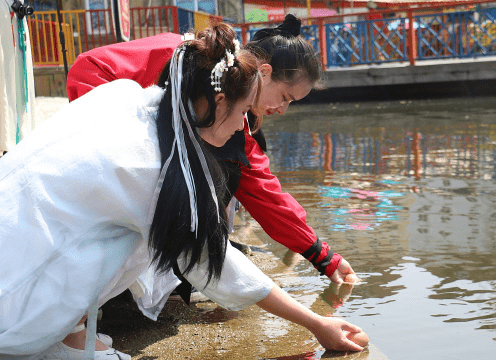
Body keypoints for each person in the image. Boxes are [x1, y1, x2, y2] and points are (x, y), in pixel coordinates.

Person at [0, 23, 366, 359]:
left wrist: (318, 254)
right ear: (221, 100)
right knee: (153, 233)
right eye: (242, 116)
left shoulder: (130, 98)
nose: (243, 128)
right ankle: (61, 338)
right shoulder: (148, 167)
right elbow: (214, 261)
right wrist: (317, 324)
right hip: (9, 304)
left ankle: (69, 330)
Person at [66, 14, 358, 301]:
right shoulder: (180, 54)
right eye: (285, 97)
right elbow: (90, 67)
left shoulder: (236, 123)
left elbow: (266, 193)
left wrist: (323, 256)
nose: (282, 109)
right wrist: (136, 141)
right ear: (265, 72)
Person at [1, 0, 37, 156]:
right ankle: (7, 137)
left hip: (16, 13)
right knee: (5, 74)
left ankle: (20, 134)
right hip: (4, 12)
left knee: (17, 75)